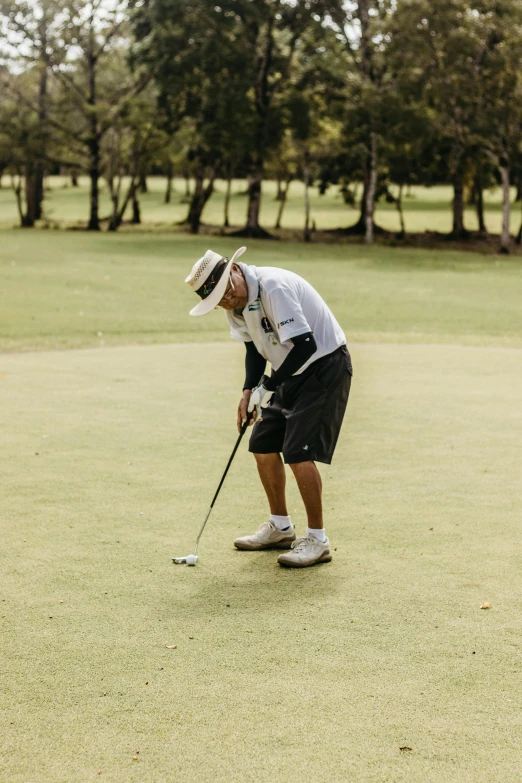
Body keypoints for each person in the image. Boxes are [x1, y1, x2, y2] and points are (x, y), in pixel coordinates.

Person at [185, 246, 352, 567]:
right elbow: (253, 348)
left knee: (299, 451)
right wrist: (249, 390)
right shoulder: (233, 306)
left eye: (227, 293)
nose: (227, 302)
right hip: (287, 370)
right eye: (219, 300)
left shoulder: (273, 286)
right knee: (262, 442)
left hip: (324, 367)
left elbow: (305, 345)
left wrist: (268, 386)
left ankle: (318, 540)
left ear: (234, 270)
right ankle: (281, 527)